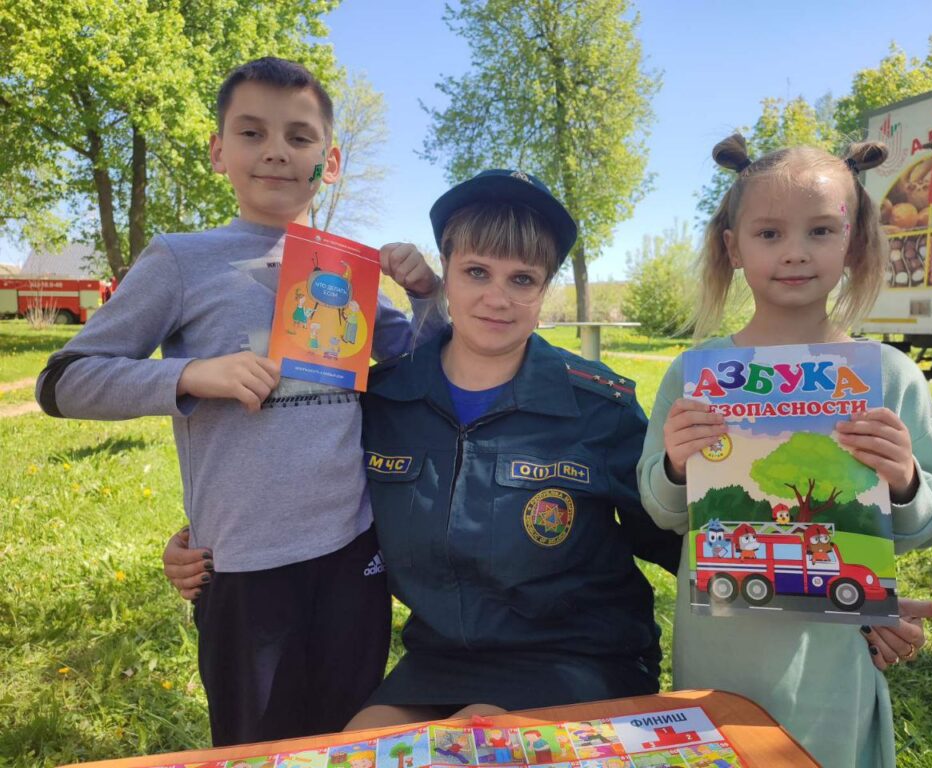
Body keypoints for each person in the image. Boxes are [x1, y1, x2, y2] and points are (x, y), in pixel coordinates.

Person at [35, 57, 445, 746]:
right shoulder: (179, 260)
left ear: (329, 161)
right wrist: (192, 376)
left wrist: (427, 294)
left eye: (299, 137)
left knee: (351, 743)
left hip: (354, 559)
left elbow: (424, 371)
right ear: (218, 152)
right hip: (243, 571)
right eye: (252, 133)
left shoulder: (350, 269)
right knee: (257, 746)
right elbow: (62, 382)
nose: (276, 151)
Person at [636, 134, 932, 768]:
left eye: (820, 231)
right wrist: (675, 465)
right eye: (769, 233)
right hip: (719, 650)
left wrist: (905, 480)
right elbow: (662, 511)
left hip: (832, 657)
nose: (794, 252)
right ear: (733, 247)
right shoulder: (695, 374)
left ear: (854, 242)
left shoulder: (887, 376)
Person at [342, 168, 681, 728]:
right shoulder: (384, 401)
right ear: (445, 271)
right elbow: (319, 506)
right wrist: (206, 547)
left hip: (582, 655)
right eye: (477, 271)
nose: (497, 298)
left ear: (544, 290)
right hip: (443, 660)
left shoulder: (599, 408)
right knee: (359, 748)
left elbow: (675, 538)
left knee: (479, 738)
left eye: (522, 279)